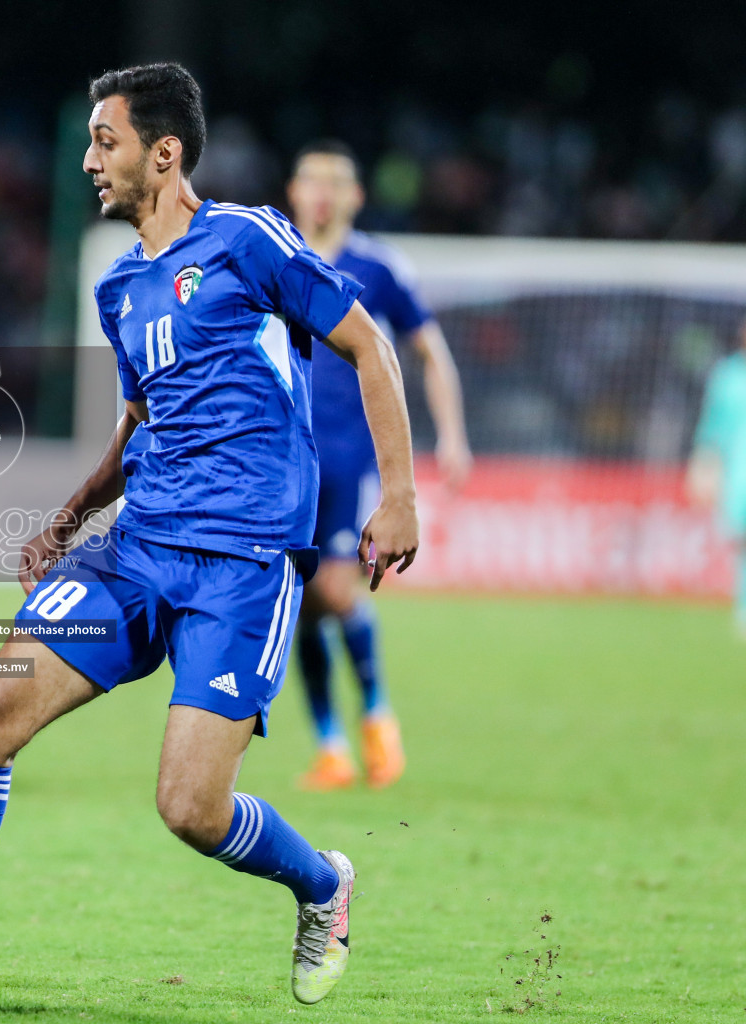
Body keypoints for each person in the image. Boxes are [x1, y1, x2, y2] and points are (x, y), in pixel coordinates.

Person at [0, 63, 418, 1005]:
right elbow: (141, 425)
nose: (91, 161)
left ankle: (323, 883)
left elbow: (367, 344)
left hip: (244, 563)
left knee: (190, 808)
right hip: (136, 549)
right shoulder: (121, 288)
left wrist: (400, 497)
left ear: (164, 152)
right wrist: (68, 515)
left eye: (107, 141)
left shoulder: (248, 241)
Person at [284, 140, 472, 790]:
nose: (322, 191)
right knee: (304, 599)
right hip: (289, 456)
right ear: (293, 190)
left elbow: (429, 351)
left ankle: (376, 716)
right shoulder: (275, 258)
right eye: (311, 179)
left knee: (339, 589)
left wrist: (451, 434)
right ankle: (332, 747)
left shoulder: (378, 266)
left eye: (335, 180)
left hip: (356, 453)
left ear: (356, 196)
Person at [687, 317, 746, 636]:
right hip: (739, 470)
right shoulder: (728, 376)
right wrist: (704, 465)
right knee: (741, 539)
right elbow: (713, 426)